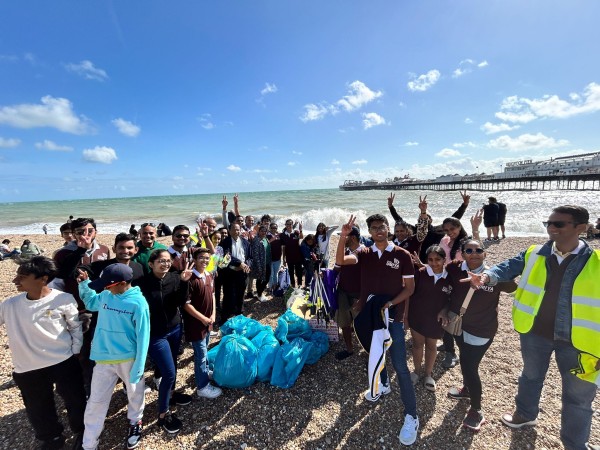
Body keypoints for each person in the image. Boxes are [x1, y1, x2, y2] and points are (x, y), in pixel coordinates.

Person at [468, 205, 599, 450]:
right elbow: (506, 267)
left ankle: (575, 443)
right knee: (530, 376)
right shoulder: (535, 252)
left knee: (579, 398)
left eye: (559, 224)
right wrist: (486, 276)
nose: (551, 228)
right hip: (534, 333)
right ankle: (525, 414)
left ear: (581, 228)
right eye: (548, 223)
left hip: (581, 342)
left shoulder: (597, 262)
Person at [336, 214, 419, 446]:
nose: (378, 231)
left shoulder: (401, 255)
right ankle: (382, 383)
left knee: (401, 366)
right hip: (370, 315)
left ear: (388, 228)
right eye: (374, 228)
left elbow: (409, 288)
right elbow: (341, 260)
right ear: (370, 232)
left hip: (393, 317)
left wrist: (391, 304)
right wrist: (343, 236)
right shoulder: (365, 253)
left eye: (382, 227)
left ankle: (411, 415)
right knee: (375, 352)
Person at [0, 256, 86, 450]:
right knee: (38, 408)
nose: (16, 280)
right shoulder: (9, 305)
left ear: (43, 279)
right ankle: (52, 437)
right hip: (27, 367)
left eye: (22, 276)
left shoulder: (63, 299)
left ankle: (82, 432)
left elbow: (75, 327)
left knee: (75, 400)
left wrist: (75, 350)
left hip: (63, 361)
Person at [440, 238, 517, 432]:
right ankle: (466, 389)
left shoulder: (494, 275)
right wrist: (444, 309)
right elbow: (446, 290)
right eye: (469, 250)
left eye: (478, 250)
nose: (474, 253)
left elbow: (514, 287)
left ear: (485, 253)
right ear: (462, 253)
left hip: (482, 330)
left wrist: (494, 277)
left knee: (469, 366)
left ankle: (476, 410)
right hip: (459, 326)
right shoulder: (455, 268)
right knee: (465, 359)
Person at [77, 264, 150, 450]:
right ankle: (89, 442)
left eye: (108, 285)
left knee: (135, 393)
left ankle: (135, 421)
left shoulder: (138, 303)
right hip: (103, 357)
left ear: (123, 283)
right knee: (96, 400)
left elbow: (143, 336)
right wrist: (85, 284)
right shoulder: (107, 295)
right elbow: (91, 303)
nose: (105, 289)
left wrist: (140, 366)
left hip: (128, 358)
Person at [138, 249, 194, 434]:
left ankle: (170, 395)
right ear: (151, 264)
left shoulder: (175, 278)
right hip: (156, 335)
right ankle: (163, 415)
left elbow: (181, 301)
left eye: (168, 261)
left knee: (174, 366)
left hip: (175, 328)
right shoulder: (141, 284)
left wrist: (185, 282)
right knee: (168, 373)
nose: (165, 264)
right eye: (161, 261)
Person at [437, 212, 482, 369]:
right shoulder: (444, 240)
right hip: (444, 279)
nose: (450, 232)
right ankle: (446, 344)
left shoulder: (466, 241)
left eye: (452, 228)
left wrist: (475, 228)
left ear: (459, 226)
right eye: (446, 229)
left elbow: (478, 253)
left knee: (452, 315)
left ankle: (452, 353)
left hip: (461, 283)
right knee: (442, 313)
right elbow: (440, 259)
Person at [408, 245, 452, 392]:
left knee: (432, 346)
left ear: (444, 260)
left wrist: (445, 310)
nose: (434, 263)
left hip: (436, 318)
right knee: (417, 344)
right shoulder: (420, 273)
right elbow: (409, 294)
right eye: (431, 260)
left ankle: (428, 374)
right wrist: (406, 316)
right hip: (417, 315)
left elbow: (452, 299)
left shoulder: (450, 277)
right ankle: (417, 371)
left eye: (438, 259)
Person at [182, 248, 222, 399]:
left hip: (208, 322)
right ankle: (202, 386)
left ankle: (204, 373)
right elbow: (186, 304)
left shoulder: (209, 275)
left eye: (207, 258)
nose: (204, 261)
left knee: (205, 349)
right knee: (201, 355)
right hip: (195, 324)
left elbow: (212, 295)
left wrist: (213, 314)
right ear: (194, 259)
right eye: (201, 258)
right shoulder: (190, 279)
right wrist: (203, 318)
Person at [388, 190, 470, 263]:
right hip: (418, 260)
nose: (424, 220)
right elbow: (400, 221)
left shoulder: (437, 230)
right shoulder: (415, 230)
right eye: (421, 219)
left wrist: (464, 205)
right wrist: (391, 207)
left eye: (426, 218)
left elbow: (453, 220)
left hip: (434, 261)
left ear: (430, 220)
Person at [333, 225, 364, 360]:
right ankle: (350, 349)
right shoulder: (346, 251)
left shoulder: (362, 252)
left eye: (344, 236)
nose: (342, 238)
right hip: (343, 293)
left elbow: (344, 260)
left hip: (359, 295)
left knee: (362, 324)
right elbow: (337, 267)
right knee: (345, 323)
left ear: (352, 238)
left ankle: (368, 349)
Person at [218, 223, 252, 321]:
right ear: (230, 230)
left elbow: (250, 257)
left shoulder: (246, 242)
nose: (237, 231)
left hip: (243, 272)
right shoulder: (225, 242)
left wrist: (246, 265)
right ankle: (225, 316)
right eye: (234, 229)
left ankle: (239, 314)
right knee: (228, 294)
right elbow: (226, 256)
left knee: (241, 294)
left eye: (238, 229)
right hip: (229, 272)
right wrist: (239, 263)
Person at [250, 225, 271, 302]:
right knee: (260, 279)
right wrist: (259, 266)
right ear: (259, 231)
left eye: (265, 231)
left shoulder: (265, 239)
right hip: (261, 264)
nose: (263, 232)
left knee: (267, 278)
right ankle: (259, 294)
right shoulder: (256, 240)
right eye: (262, 231)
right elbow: (255, 255)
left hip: (267, 262)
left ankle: (260, 293)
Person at [280, 219, 304, 287]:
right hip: (289, 257)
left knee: (299, 272)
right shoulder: (283, 235)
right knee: (291, 272)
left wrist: (301, 230)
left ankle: (299, 286)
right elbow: (283, 248)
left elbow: (301, 237)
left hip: (297, 256)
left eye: (290, 224)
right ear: (285, 225)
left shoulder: (296, 232)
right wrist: (284, 259)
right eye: (287, 224)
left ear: (292, 225)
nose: (289, 226)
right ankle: (293, 286)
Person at [267, 222, 284, 292]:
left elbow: (283, 246)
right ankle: (270, 287)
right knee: (271, 274)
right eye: (272, 228)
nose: (274, 229)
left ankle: (275, 286)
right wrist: (272, 239)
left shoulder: (279, 236)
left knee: (276, 273)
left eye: (275, 228)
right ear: (270, 228)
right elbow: (264, 244)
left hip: (278, 258)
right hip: (269, 258)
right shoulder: (267, 236)